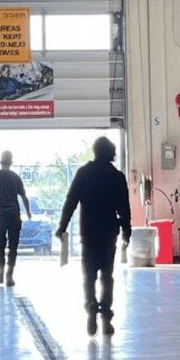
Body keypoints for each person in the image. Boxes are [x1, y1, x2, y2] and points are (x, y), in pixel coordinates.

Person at [55, 136, 131, 337]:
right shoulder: (117, 176)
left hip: (88, 232)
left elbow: (70, 201)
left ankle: (90, 305)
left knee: (89, 274)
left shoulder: (83, 173)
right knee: (107, 275)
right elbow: (124, 208)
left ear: (95, 151)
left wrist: (62, 227)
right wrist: (127, 231)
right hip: (109, 233)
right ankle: (105, 314)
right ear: (112, 153)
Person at [0, 150, 31, 287]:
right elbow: (23, 196)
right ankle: (9, 276)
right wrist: (28, 212)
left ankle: (0, 274)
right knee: (13, 246)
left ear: (1, 162)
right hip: (14, 214)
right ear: (11, 162)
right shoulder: (15, 177)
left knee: (0, 244)